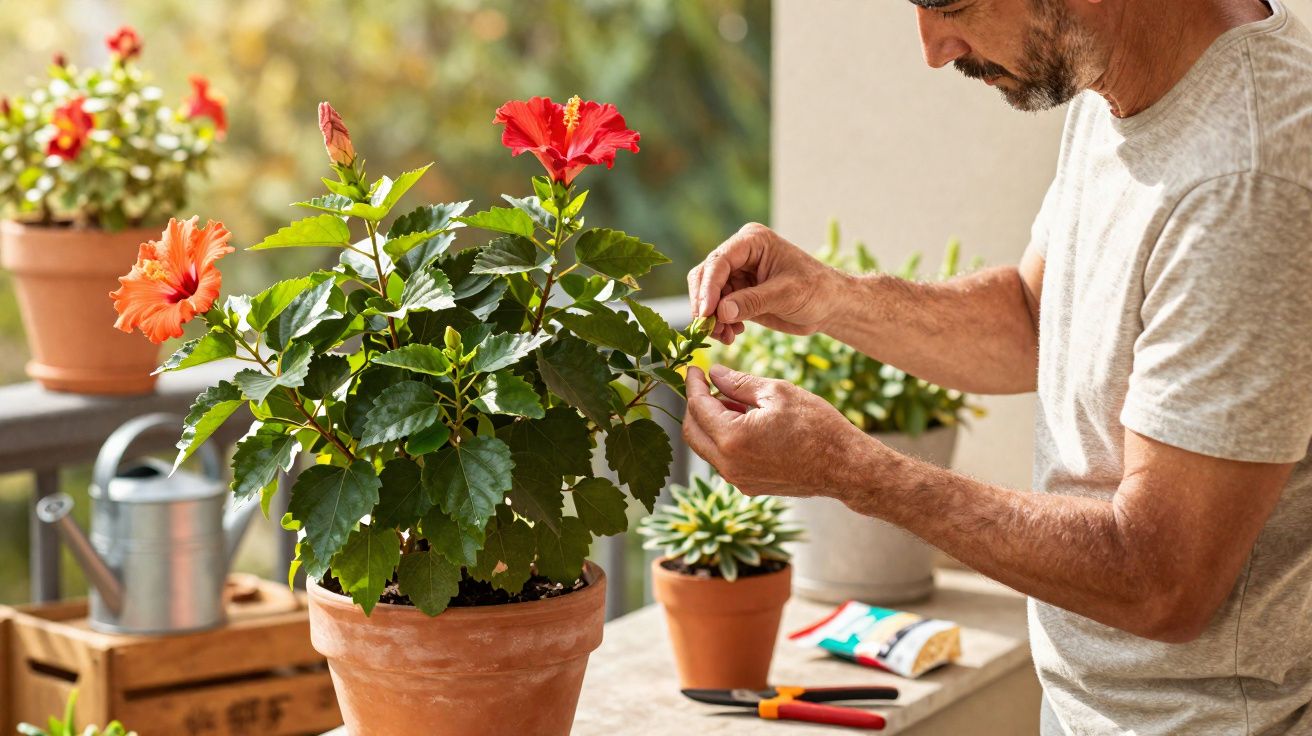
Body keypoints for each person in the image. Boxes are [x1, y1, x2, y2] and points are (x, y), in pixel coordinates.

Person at [681, 0, 1312, 733]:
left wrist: (849, 470)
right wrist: (831, 297)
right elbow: (1034, 318)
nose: (934, 47)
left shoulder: (1250, 175)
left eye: (952, 5)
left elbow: (1160, 580)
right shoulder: (1117, 76)